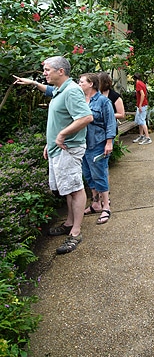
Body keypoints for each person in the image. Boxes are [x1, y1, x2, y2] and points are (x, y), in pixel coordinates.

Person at [41, 56, 93, 254]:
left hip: (69, 149)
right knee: (67, 189)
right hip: (58, 149)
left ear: (60, 71)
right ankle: (69, 222)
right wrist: (50, 142)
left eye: (47, 69)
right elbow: (59, 120)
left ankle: (76, 232)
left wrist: (62, 135)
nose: (45, 73)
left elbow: (86, 117)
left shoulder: (71, 91)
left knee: (75, 188)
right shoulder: (59, 91)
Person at [78, 73, 115, 225]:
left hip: (98, 143)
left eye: (81, 82)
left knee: (99, 174)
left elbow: (110, 122)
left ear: (91, 84)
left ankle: (106, 206)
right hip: (83, 144)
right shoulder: (80, 100)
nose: (79, 84)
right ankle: (95, 203)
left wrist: (109, 142)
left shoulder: (103, 101)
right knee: (88, 174)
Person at [132, 72, 152, 145]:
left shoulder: (138, 84)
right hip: (142, 105)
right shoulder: (142, 83)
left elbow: (143, 94)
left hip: (142, 105)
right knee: (139, 120)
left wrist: (140, 105)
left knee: (142, 121)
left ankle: (147, 137)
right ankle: (141, 135)